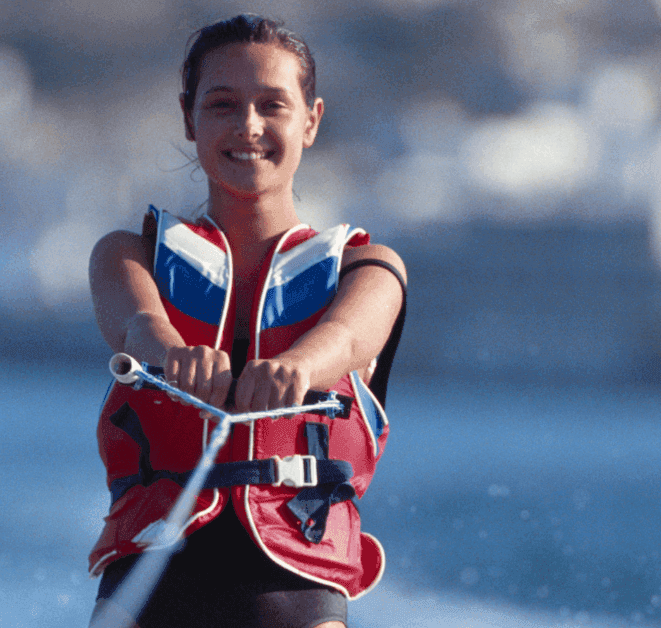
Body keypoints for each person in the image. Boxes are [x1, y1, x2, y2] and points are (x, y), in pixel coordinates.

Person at [86, 14, 407, 628]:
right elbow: (137, 325)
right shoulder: (128, 256)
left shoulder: (366, 268)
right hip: (154, 569)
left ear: (311, 120)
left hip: (296, 581)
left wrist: (296, 367)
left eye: (272, 105)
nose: (248, 127)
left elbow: (349, 335)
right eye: (223, 104)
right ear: (189, 119)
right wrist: (171, 351)